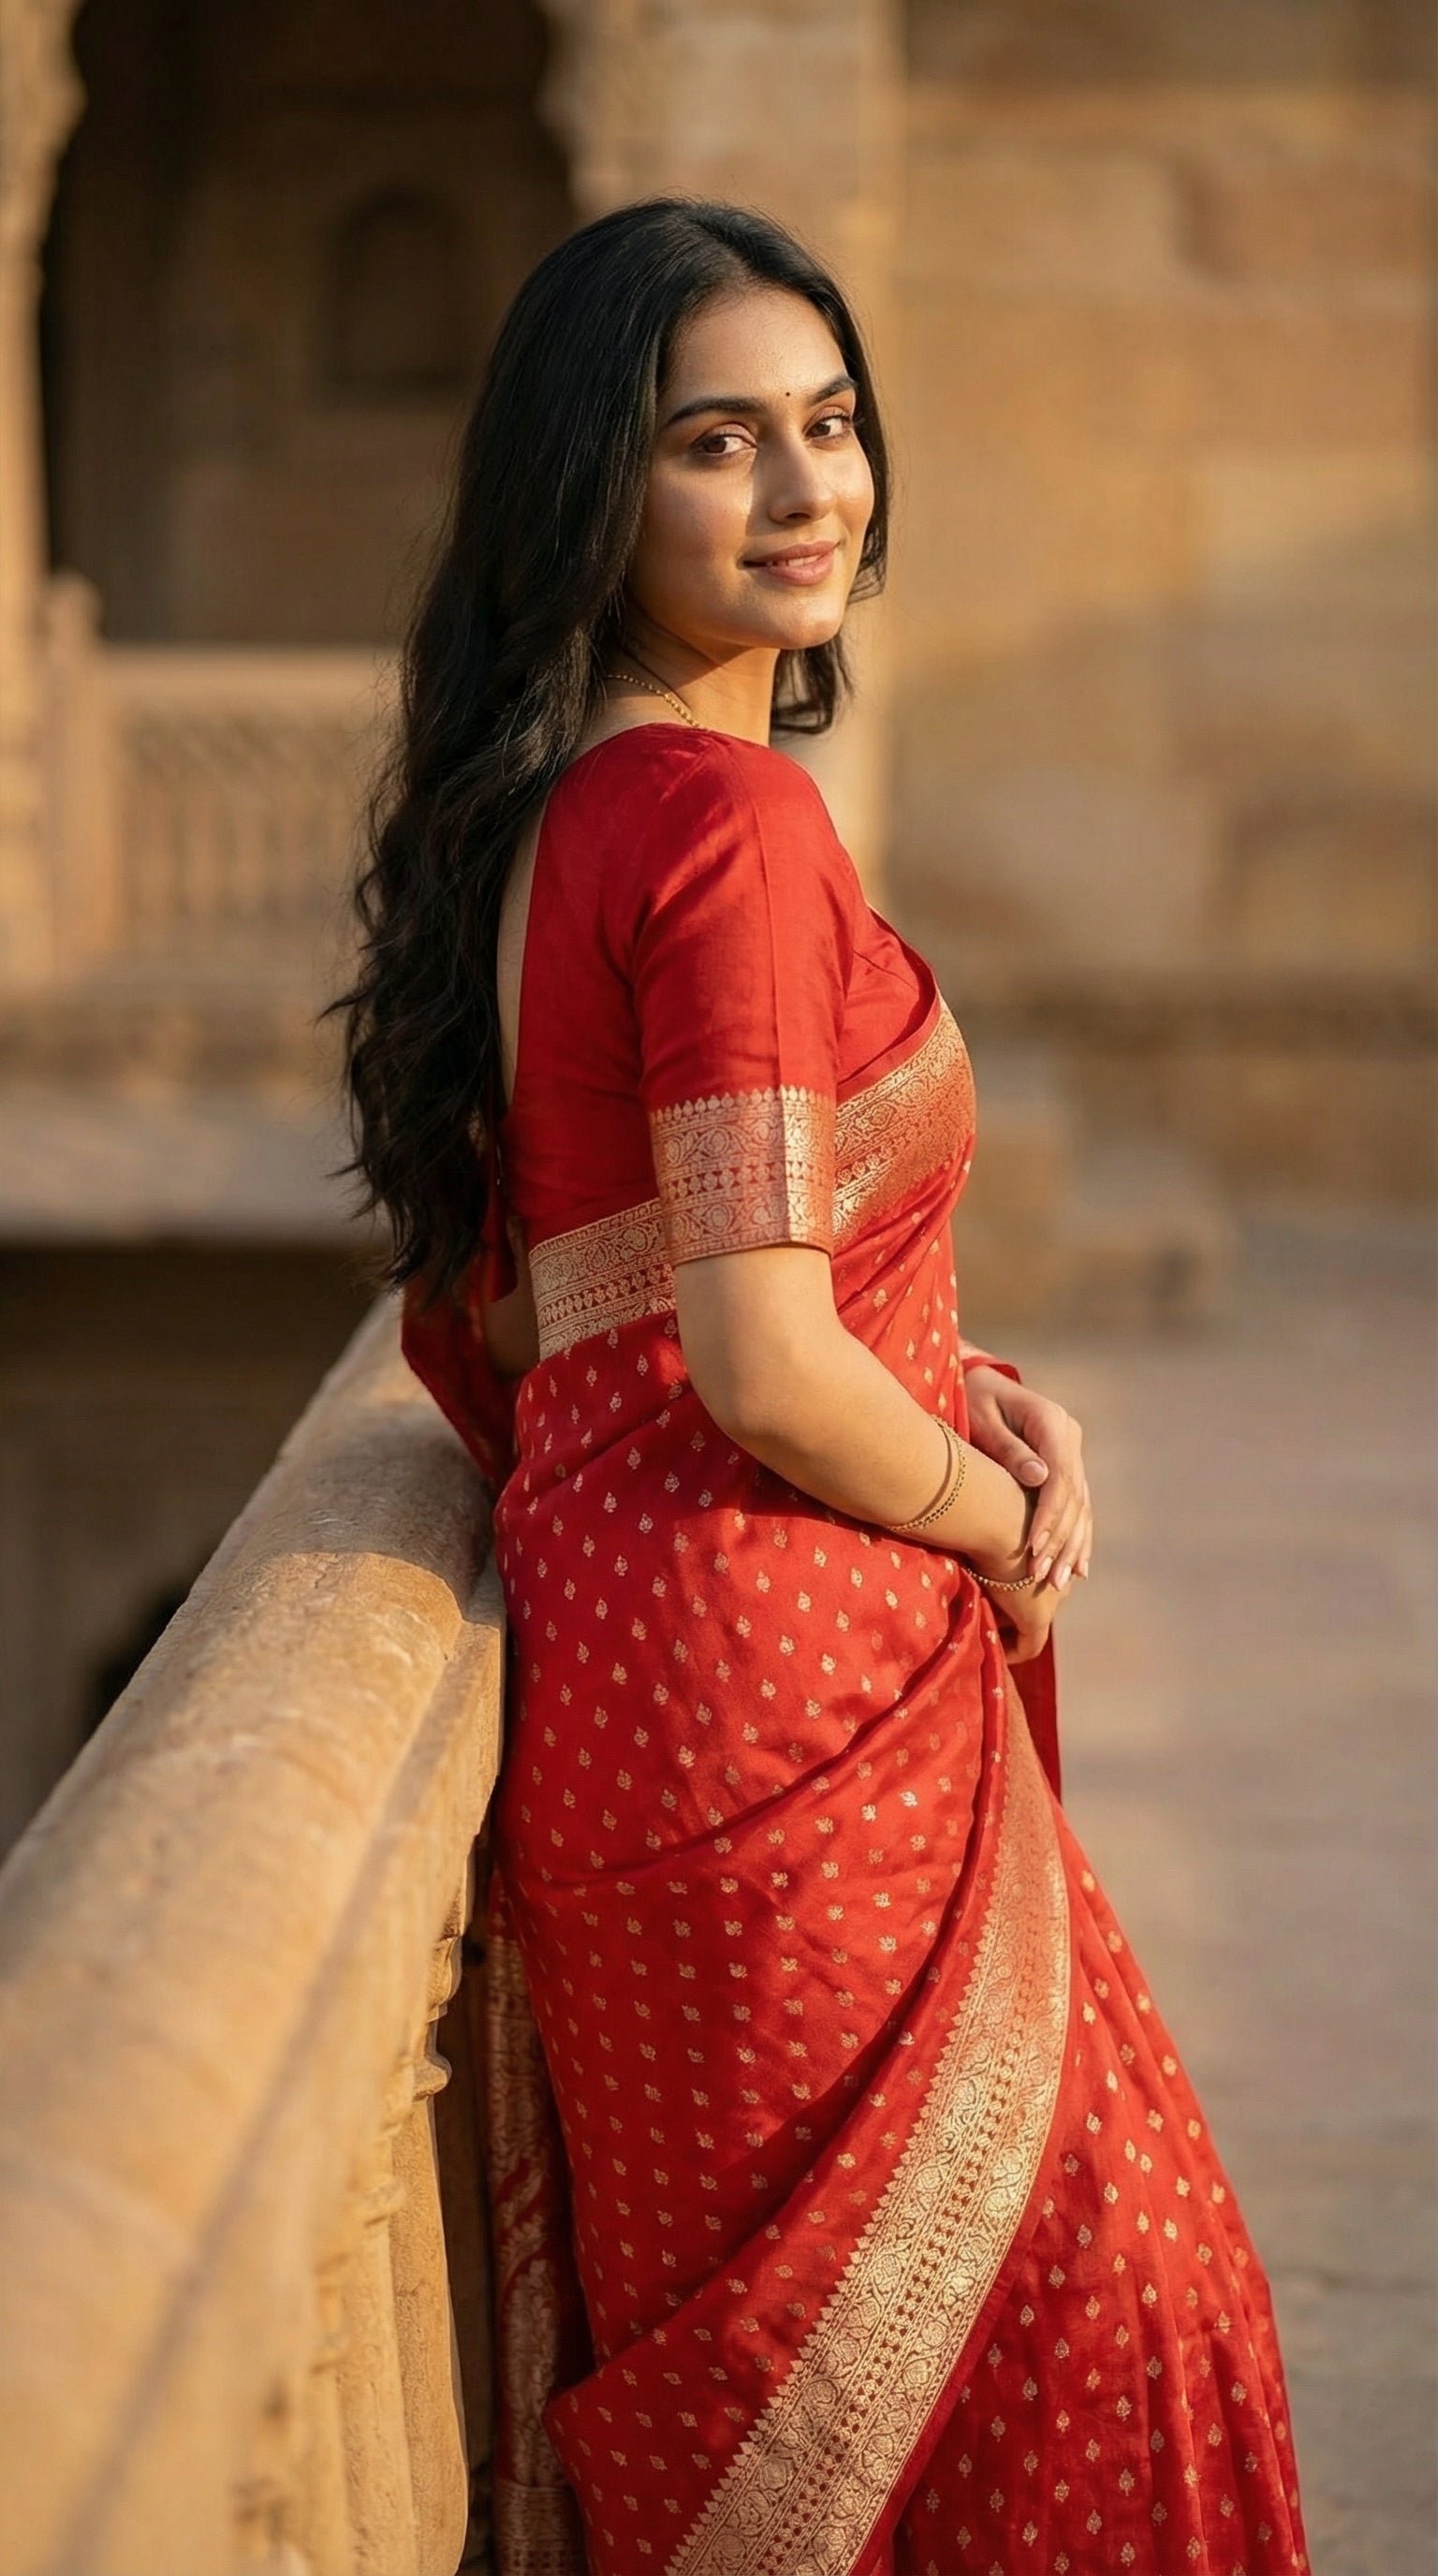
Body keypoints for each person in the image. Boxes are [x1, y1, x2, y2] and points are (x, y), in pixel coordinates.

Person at [339, 198, 1308, 2576]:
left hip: (650, 1681)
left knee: (844, 2385)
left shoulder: (568, 815)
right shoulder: (736, 821)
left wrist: (950, 1374)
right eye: (715, 442)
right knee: (1108, 2327)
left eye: (833, 422)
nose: (807, 490)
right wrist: (1006, 1523)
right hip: (790, 1695)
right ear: (596, 492)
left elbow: (577, 1299)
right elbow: (762, 1353)